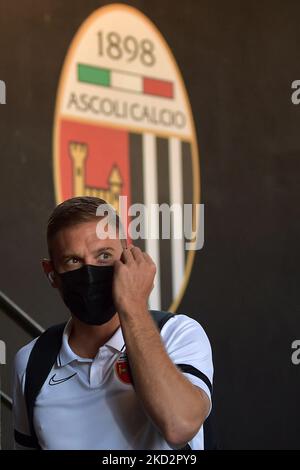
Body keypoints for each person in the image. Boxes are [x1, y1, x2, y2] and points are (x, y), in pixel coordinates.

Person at [12, 196, 214, 450]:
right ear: (51, 273)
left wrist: (133, 306)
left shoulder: (177, 334)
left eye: (104, 255)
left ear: (128, 258)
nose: (89, 272)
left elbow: (180, 426)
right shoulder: (31, 363)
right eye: (73, 260)